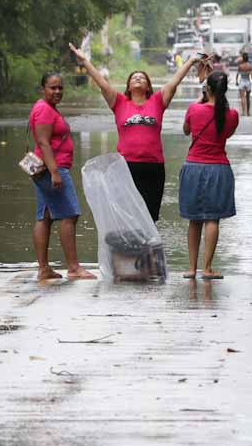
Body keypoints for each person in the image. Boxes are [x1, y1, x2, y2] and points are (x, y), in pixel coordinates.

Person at [69, 42, 204, 222]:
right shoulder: (119, 102)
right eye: (134, 78)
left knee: (149, 218)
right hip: (126, 167)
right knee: (127, 217)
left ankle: (148, 251)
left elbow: (174, 81)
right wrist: (85, 61)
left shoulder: (157, 101)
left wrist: (192, 61)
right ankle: (128, 250)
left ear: (148, 87)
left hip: (153, 167)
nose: (138, 78)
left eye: (142, 77)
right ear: (129, 87)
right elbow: (102, 83)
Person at [29, 73, 94, 282]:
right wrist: (55, 171)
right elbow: (43, 142)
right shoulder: (44, 110)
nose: (57, 91)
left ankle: (44, 269)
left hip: (46, 168)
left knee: (45, 216)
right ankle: (73, 267)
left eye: (60, 88)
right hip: (51, 169)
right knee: (70, 214)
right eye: (52, 88)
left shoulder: (46, 109)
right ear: (43, 89)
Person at [179, 70, 239, 279]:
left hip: (193, 166)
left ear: (208, 89)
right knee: (212, 219)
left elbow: (186, 130)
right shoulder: (232, 115)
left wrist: (202, 96)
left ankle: (191, 268)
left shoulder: (194, 109)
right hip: (219, 168)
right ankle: (207, 268)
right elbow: (227, 134)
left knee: (194, 219)